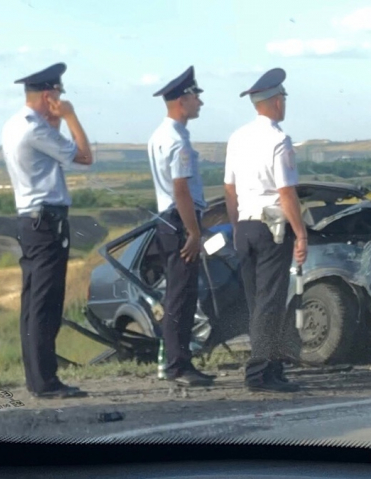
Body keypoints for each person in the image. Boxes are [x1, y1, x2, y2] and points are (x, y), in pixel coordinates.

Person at [2, 62, 92, 399]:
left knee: (33, 302)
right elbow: (84, 156)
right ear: (48, 93)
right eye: (57, 93)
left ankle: (37, 377)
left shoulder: (16, 124)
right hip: (47, 221)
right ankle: (45, 382)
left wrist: (54, 119)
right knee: (46, 302)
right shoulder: (35, 130)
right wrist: (69, 117)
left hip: (30, 220)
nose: (60, 98)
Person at [224, 67, 306, 393]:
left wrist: (235, 226)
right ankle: (260, 373)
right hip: (272, 226)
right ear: (274, 102)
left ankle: (271, 367)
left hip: (244, 224)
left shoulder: (237, 137)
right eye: (283, 97)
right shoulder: (279, 140)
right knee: (270, 302)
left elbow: (229, 188)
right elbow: (286, 193)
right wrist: (301, 233)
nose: (284, 103)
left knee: (256, 301)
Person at [147, 66, 214, 387]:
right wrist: (194, 232)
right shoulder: (177, 141)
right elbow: (181, 190)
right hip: (180, 221)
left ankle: (177, 360)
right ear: (182, 100)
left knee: (178, 293)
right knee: (182, 296)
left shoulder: (160, 135)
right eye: (195, 96)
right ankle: (178, 364)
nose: (199, 102)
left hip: (169, 221)